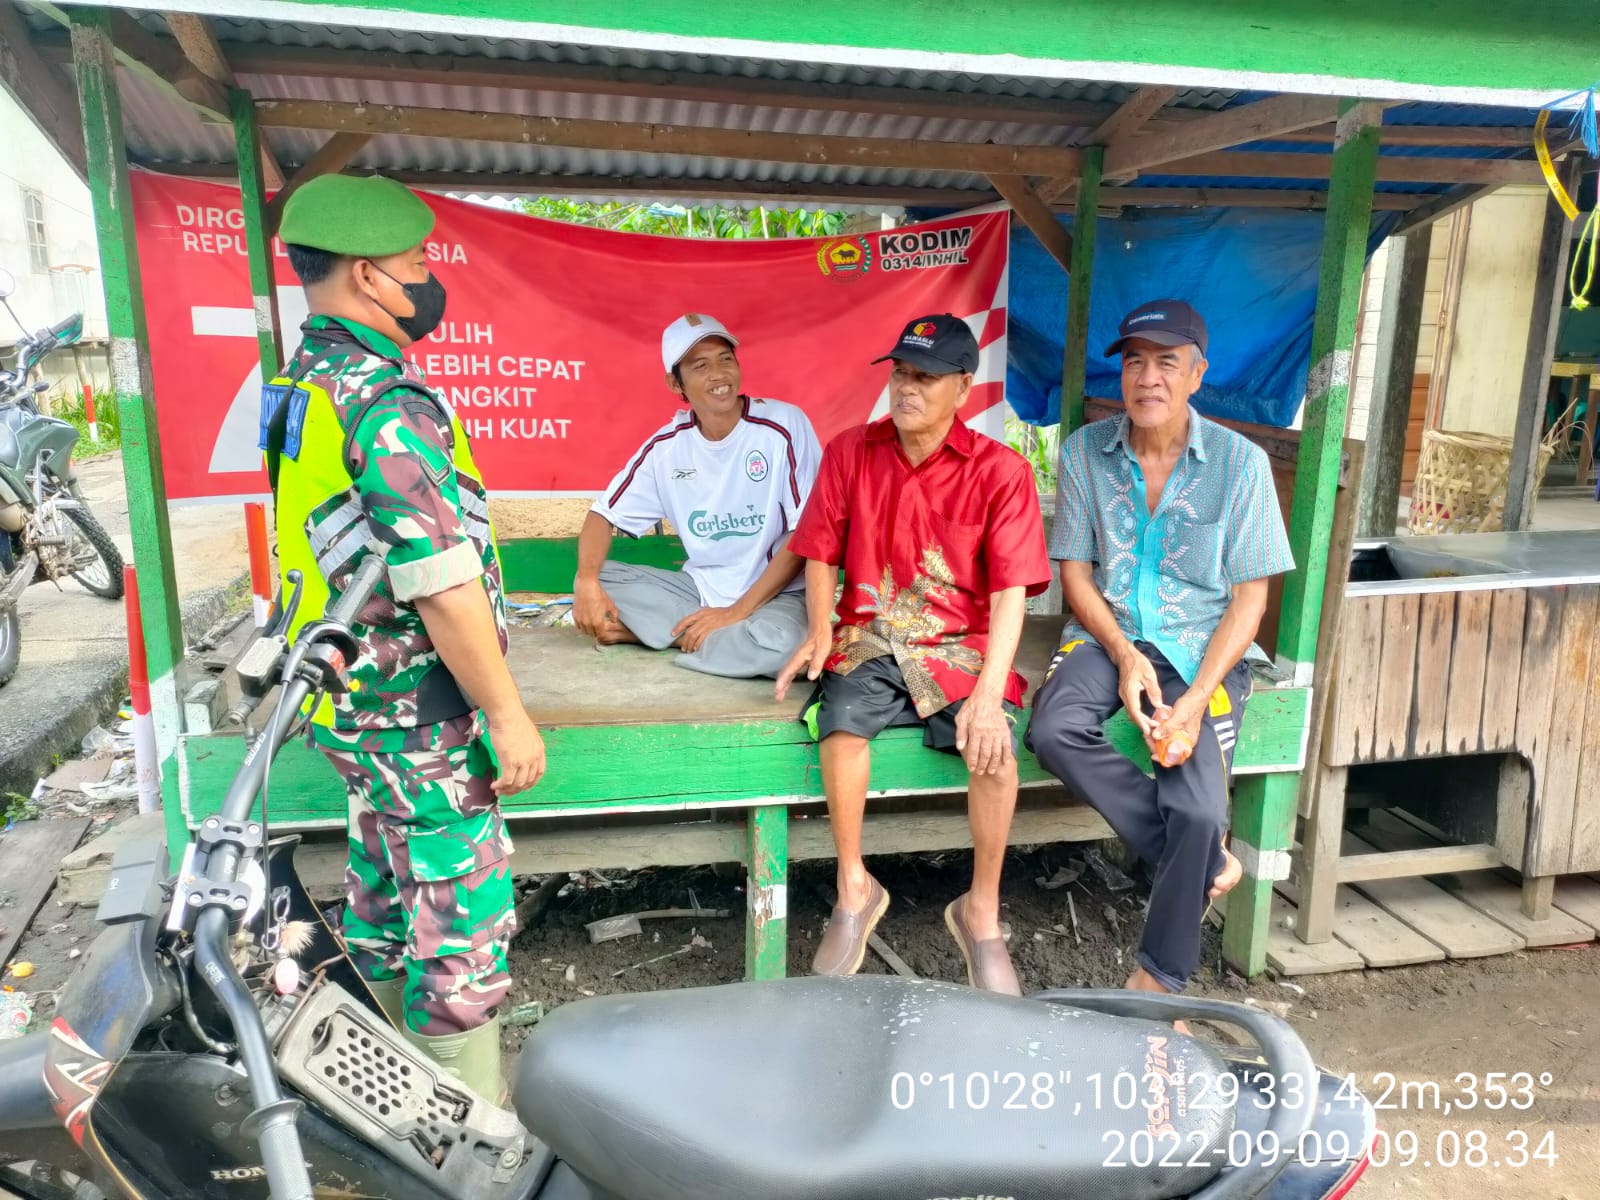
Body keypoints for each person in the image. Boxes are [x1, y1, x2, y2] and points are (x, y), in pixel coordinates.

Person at [264, 173, 545, 1099]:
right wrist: (505, 715)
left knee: (387, 904)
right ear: (368, 278)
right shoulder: (386, 404)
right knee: (460, 928)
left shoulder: (302, 383)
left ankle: (376, 1098)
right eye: (415, 263)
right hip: (415, 718)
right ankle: (470, 1133)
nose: (426, 277)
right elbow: (442, 584)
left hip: (347, 706)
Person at [1026, 299, 1294, 1006]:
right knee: (1052, 728)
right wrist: (1122, 653)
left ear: (1197, 374)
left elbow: (1250, 601)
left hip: (1203, 650)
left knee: (1201, 810)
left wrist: (1195, 698)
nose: (1148, 377)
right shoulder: (1086, 451)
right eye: (1136, 360)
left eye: (1166, 362)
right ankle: (1204, 863)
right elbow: (1076, 574)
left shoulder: (1242, 466)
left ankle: (1159, 982)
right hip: (1104, 634)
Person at [777, 314, 1051, 995]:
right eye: (900, 373)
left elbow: (1013, 591)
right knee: (839, 723)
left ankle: (981, 910)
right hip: (869, 635)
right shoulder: (850, 452)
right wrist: (817, 630)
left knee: (993, 749)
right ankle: (853, 888)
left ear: (963, 387)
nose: (906, 389)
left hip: (959, 643)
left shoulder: (1001, 472)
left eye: (925, 378)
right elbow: (818, 552)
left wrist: (988, 695)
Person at [573, 313, 821, 679]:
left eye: (725, 359)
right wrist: (586, 581)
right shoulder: (667, 447)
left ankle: (669, 637)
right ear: (676, 384)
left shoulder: (783, 426)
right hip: (698, 593)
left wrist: (735, 612)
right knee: (602, 577)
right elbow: (603, 515)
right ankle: (722, 642)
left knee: (786, 647)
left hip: (776, 597)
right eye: (700, 365)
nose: (718, 375)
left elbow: (807, 533)